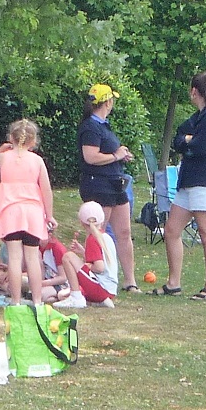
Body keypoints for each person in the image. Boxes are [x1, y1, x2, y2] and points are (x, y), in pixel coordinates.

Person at [161, 70, 206, 300]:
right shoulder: (198, 117)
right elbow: (178, 139)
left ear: (194, 91)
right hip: (188, 181)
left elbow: (199, 148)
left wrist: (189, 141)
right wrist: (188, 140)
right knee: (172, 230)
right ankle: (173, 283)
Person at [0, 120, 55, 309]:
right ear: (33, 141)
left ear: (11, 138)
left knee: (14, 258)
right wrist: (49, 215)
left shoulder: (4, 157)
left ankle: (15, 300)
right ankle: (37, 300)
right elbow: (46, 190)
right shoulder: (37, 161)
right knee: (32, 257)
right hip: (33, 212)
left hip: (10, 212)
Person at [77, 84, 139, 291]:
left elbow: (109, 152)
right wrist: (115, 156)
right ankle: (96, 277)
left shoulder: (104, 126)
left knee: (124, 232)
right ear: (108, 102)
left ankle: (130, 281)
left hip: (115, 183)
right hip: (98, 184)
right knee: (98, 233)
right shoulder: (90, 127)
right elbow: (90, 157)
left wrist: (121, 155)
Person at [73, 201, 119, 307]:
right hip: (111, 288)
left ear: (81, 222)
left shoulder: (92, 239)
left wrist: (86, 266)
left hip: (101, 288)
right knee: (62, 294)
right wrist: (84, 252)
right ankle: (96, 301)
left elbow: (99, 267)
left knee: (69, 258)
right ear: (102, 220)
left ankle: (76, 297)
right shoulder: (106, 237)